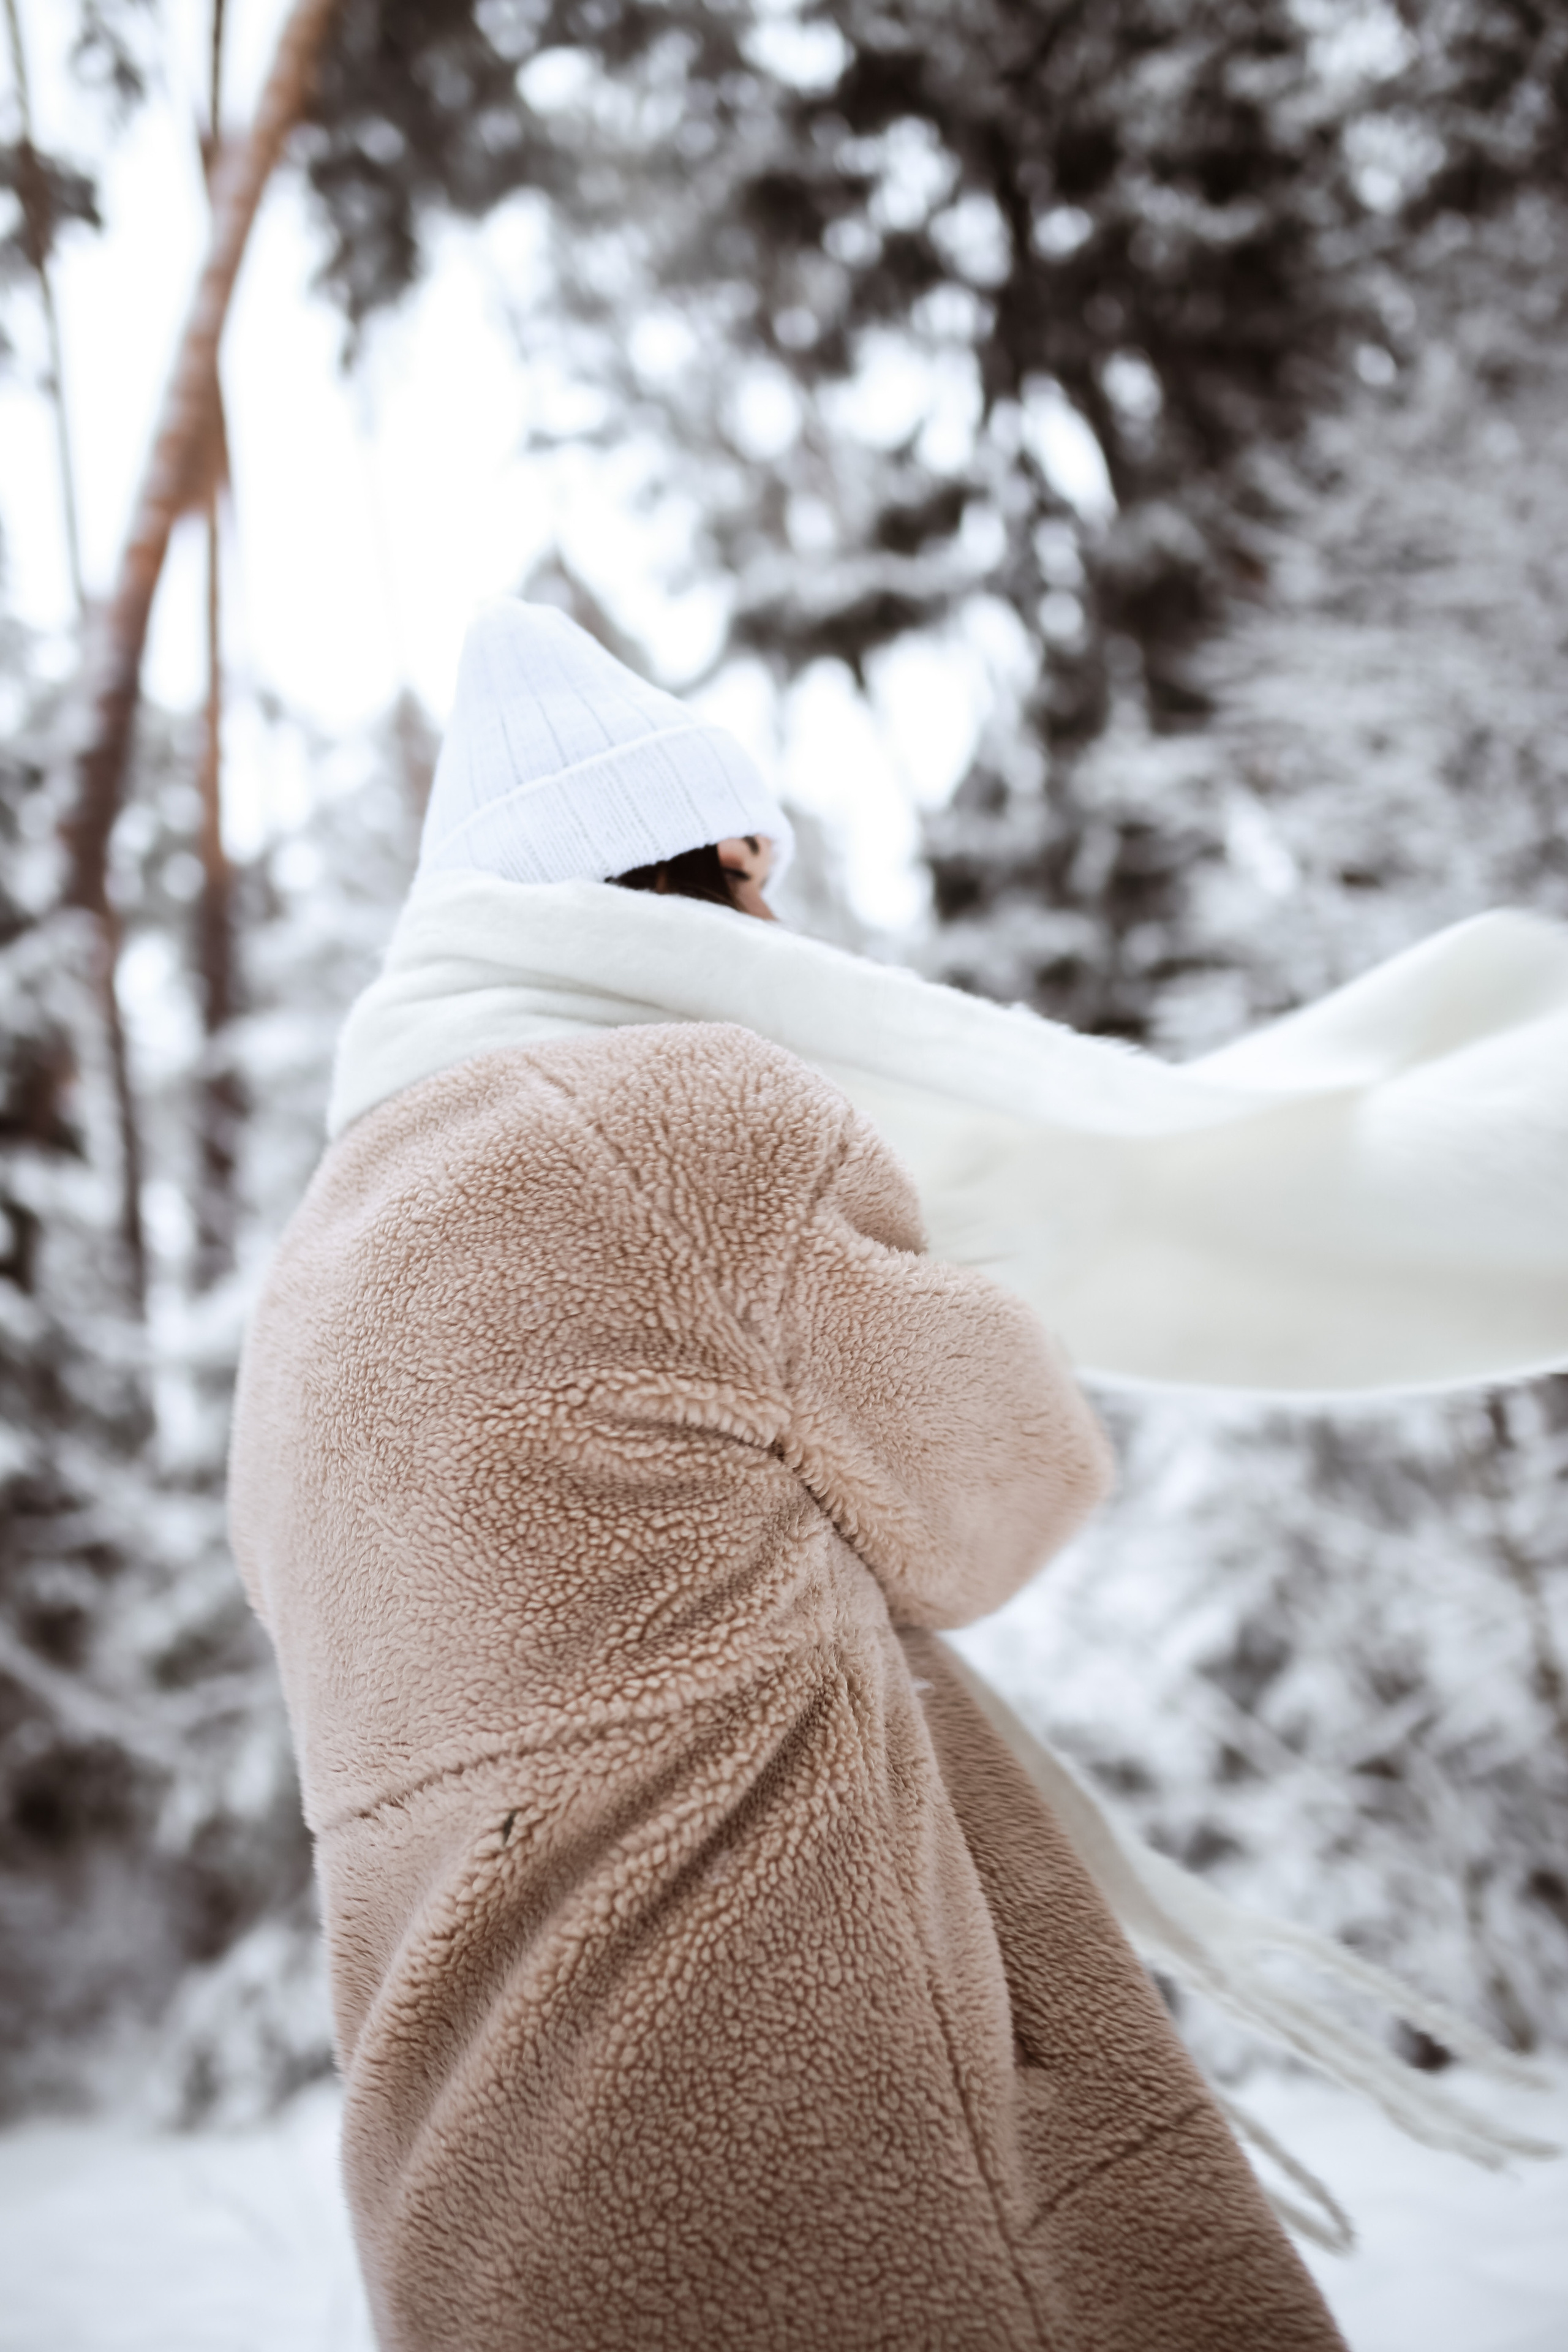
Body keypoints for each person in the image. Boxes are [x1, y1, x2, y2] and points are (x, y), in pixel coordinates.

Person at [230, 601, 1354, 2350]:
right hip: (806, 2120)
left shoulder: (307, 1281)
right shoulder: (697, 1117)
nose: (777, 926)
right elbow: (1004, 1489)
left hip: (478, 2205)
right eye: (753, 874)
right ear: (682, 880)